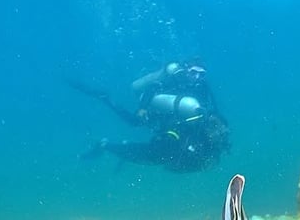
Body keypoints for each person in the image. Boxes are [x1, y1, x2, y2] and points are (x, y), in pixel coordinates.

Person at [72, 60, 230, 173]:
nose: (197, 77)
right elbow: (153, 87)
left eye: (201, 74)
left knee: (168, 148)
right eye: (194, 72)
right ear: (187, 70)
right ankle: (106, 99)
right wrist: (142, 108)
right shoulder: (175, 79)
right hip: (158, 112)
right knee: (135, 122)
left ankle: (115, 147)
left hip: (181, 120)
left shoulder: (203, 86)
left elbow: (212, 108)